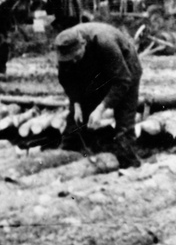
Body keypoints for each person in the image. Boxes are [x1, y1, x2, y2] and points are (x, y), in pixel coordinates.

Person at [55, 22, 142, 168]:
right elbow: (66, 79)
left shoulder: (105, 43)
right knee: (75, 119)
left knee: (124, 122)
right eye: (70, 60)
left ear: (83, 44)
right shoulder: (65, 49)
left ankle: (129, 164)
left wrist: (101, 108)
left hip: (125, 68)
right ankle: (67, 154)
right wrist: (76, 103)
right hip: (96, 70)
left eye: (76, 57)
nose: (73, 61)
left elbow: (122, 80)